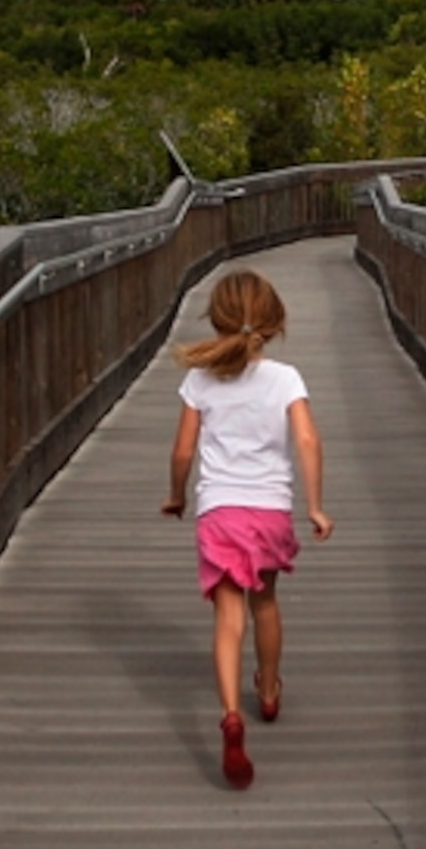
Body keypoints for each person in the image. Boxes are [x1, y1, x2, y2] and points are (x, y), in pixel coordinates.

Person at [160, 268, 331, 789]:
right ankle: (271, 688)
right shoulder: (286, 378)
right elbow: (307, 441)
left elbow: (184, 449)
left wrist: (176, 494)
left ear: (216, 319)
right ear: (274, 323)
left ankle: (232, 715)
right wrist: (316, 505)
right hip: (270, 511)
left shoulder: (199, 380)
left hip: (221, 512)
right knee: (266, 605)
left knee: (228, 616)